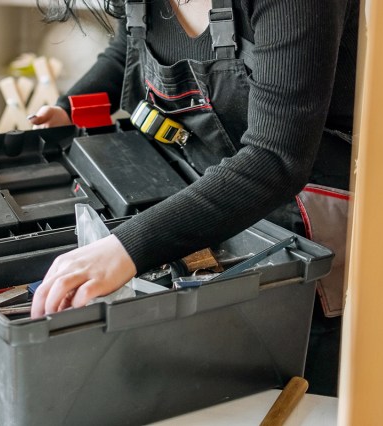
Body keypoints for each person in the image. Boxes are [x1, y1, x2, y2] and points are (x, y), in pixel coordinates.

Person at [28, 0, 358, 396]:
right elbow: (130, 47)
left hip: (311, 243)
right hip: (204, 200)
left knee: (297, 394)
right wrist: (70, 108)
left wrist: (126, 248)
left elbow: (276, 159)